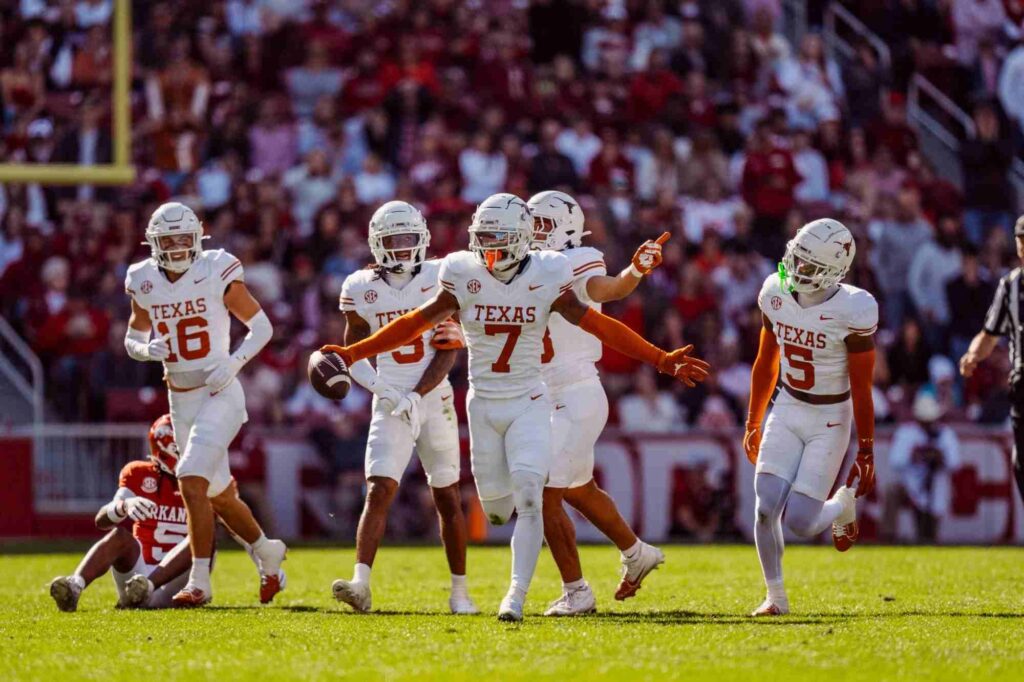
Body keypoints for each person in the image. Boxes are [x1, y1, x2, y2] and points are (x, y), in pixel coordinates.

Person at [320, 193, 709, 621]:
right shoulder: (463, 270)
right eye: (482, 237)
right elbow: (415, 322)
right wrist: (357, 353)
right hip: (485, 403)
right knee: (508, 507)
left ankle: (523, 598)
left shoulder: (555, 270)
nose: (489, 248)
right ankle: (635, 552)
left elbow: (602, 317)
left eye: (499, 238)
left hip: (535, 397)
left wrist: (658, 357)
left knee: (536, 493)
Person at [123, 202, 286, 607]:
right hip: (180, 397)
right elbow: (131, 335)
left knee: (191, 478)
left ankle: (200, 581)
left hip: (220, 391)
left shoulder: (216, 268)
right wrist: (145, 350)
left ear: (198, 238)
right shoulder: (142, 279)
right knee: (218, 495)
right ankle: (267, 552)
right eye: (169, 240)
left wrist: (232, 364)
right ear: (154, 244)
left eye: (184, 238)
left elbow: (262, 326)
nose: (178, 247)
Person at [330, 201, 478, 615]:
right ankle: (361, 583)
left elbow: (449, 347)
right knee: (379, 489)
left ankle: (460, 592)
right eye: (391, 241)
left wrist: (416, 394)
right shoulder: (361, 287)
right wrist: (390, 392)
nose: (398, 248)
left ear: (423, 241)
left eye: (406, 239)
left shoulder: (440, 275)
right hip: (390, 396)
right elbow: (353, 353)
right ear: (376, 244)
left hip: (435, 397)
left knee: (447, 496)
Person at [527, 190, 670, 616]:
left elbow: (607, 288)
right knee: (579, 490)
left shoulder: (578, 258)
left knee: (544, 495)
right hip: (544, 396)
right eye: (530, 224)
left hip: (574, 391)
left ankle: (577, 592)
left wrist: (634, 271)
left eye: (542, 225)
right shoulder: (524, 267)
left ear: (566, 228)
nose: (532, 234)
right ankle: (636, 552)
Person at [744, 218, 878, 616]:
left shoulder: (853, 307)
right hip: (787, 406)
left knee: (802, 522)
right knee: (765, 506)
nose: (798, 270)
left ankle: (843, 504)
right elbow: (765, 363)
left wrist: (866, 449)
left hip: (830, 417)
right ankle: (775, 597)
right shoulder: (774, 291)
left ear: (835, 269)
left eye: (809, 265)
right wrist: (753, 420)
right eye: (796, 259)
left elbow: (863, 386)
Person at [959, 216, 1024, 508]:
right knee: (1021, 463)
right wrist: (974, 354)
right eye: (1022, 240)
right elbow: (990, 333)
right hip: (1022, 383)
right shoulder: (1010, 285)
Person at [881, 392, 961, 543]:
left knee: (928, 533)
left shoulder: (945, 435)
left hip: (935, 485)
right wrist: (912, 456)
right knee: (891, 491)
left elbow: (955, 463)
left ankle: (926, 540)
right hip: (909, 483)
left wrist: (940, 458)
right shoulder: (906, 433)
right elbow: (895, 461)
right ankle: (888, 537)